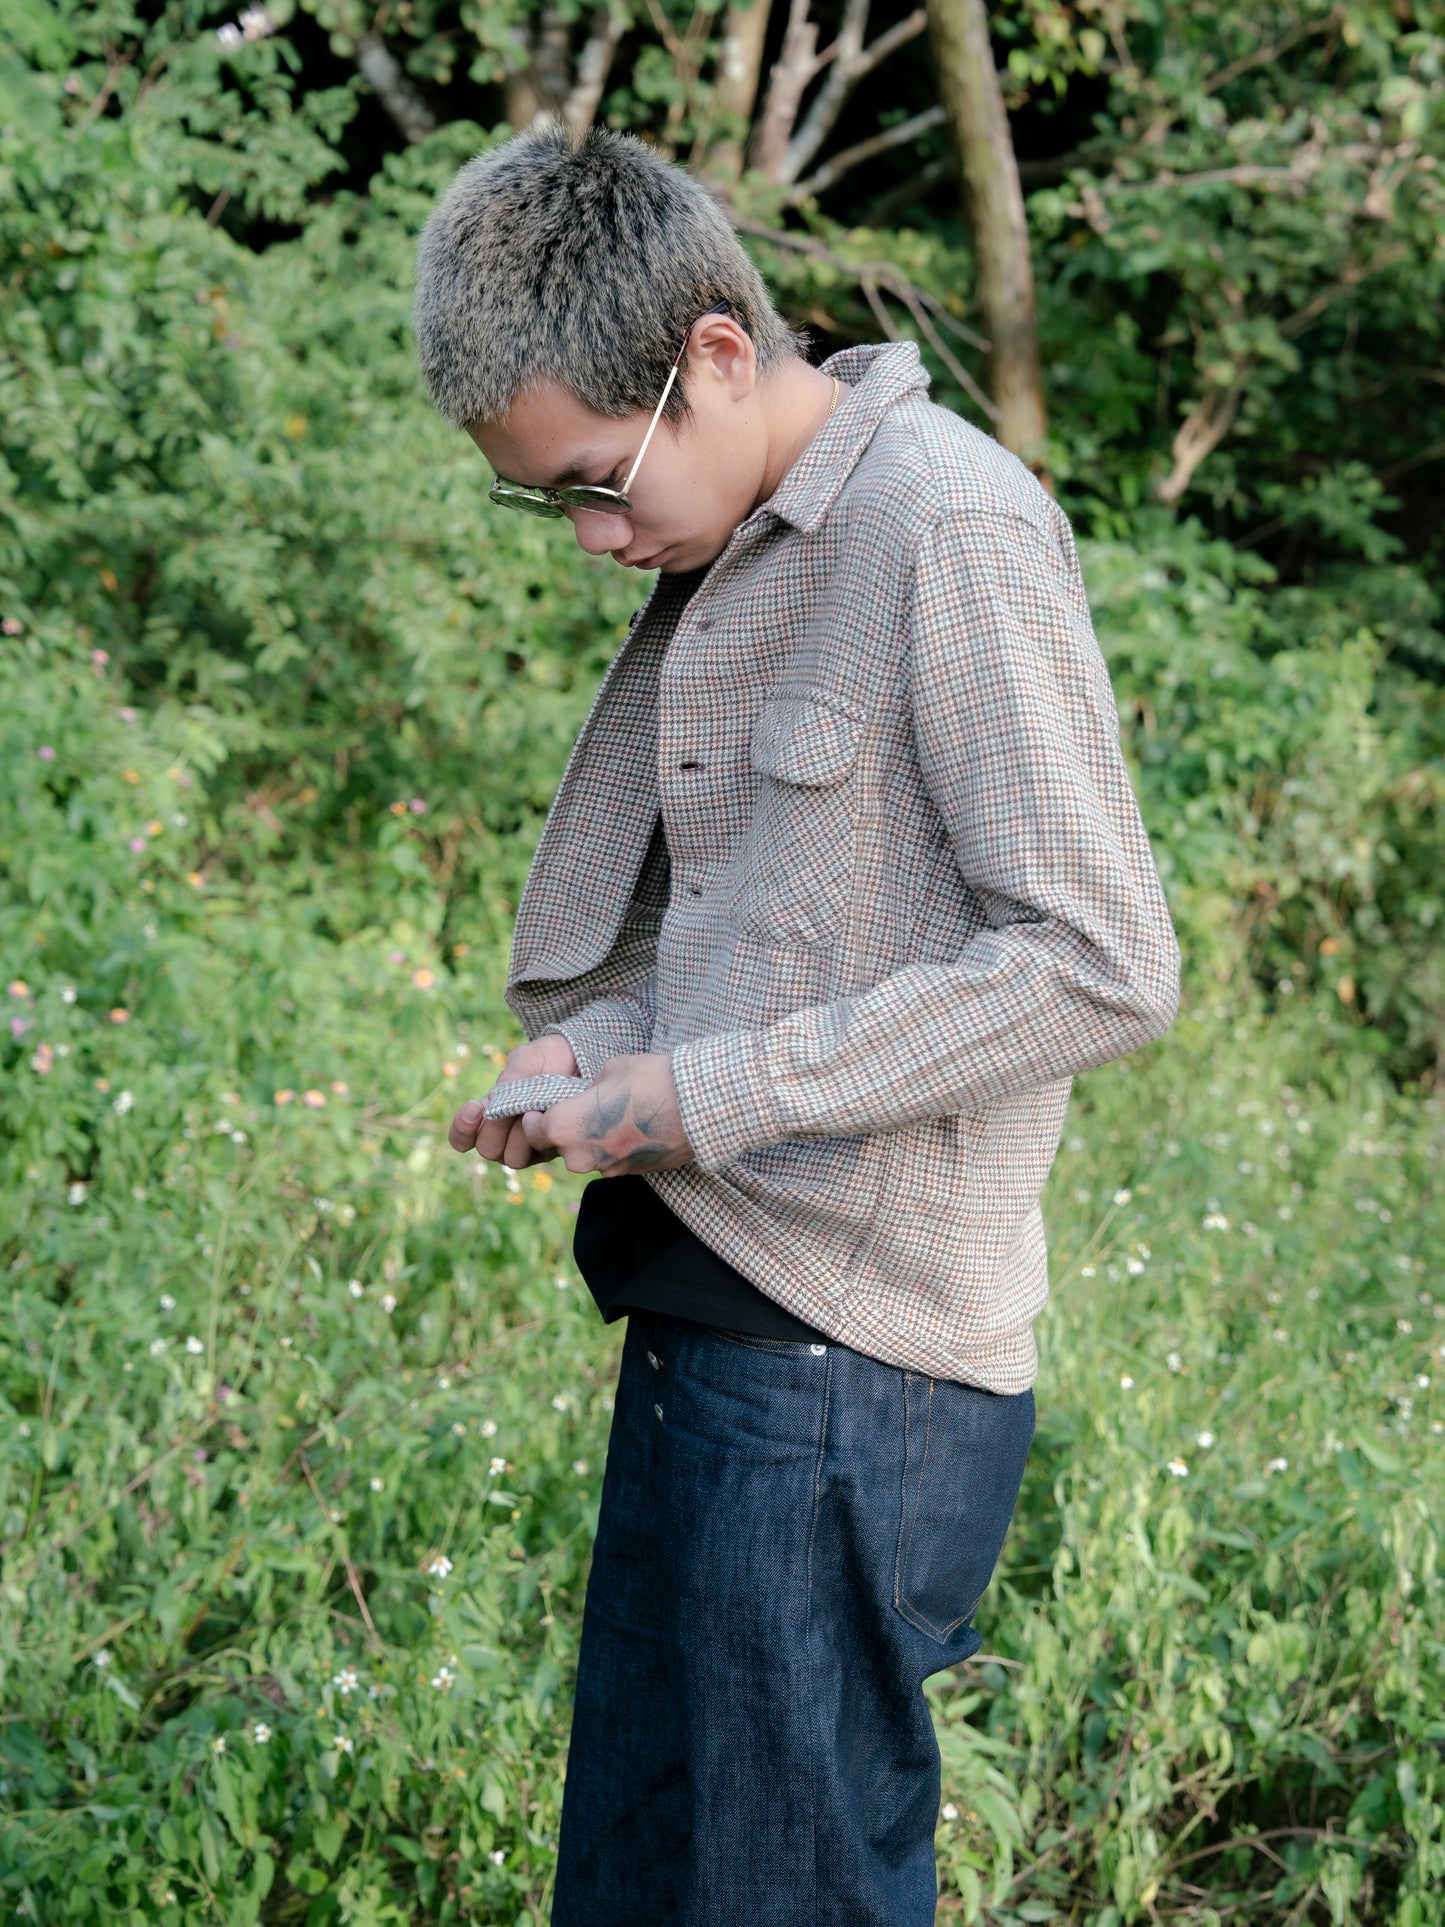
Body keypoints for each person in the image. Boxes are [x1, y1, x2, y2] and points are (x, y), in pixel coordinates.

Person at [417, 123, 1179, 1927]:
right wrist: (593, 1053)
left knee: (785, 1893)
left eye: (598, 482)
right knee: (640, 1880)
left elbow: (1100, 957)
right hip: (707, 1316)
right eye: (552, 506)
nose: (597, 539)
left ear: (716, 359)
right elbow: (741, 927)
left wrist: (699, 1096)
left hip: (856, 1369)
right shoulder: (734, 542)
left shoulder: (947, 526)